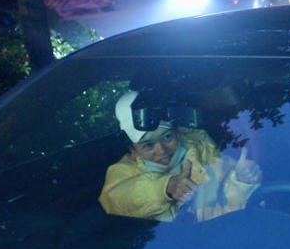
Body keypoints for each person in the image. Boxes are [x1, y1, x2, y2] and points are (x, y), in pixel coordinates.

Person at [99, 90, 261, 222]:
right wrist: (166, 187)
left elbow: (232, 212)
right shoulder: (122, 172)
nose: (162, 150)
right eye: (148, 145)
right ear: (132, 149)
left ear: (177, 132)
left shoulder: (202, 148)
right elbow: (116, 200)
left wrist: (241, 181)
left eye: (167, 137)